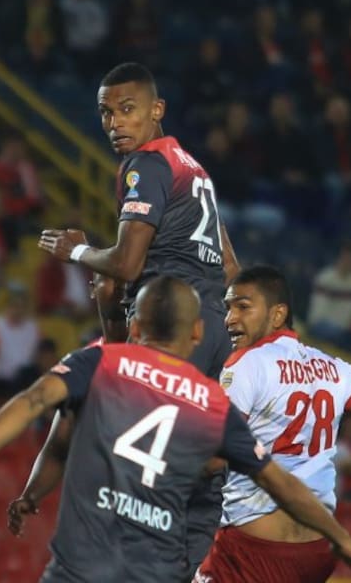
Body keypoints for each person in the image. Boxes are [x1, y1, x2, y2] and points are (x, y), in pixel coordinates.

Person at [0, 276, 351, 583]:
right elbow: (281, 483)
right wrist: (345, 541)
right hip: (156, 572)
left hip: (82, 566)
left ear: (137, 325)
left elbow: (33, 403)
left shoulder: (101, 362)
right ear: (198, 334)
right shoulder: (211, 403)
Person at [37, 61, 239, 568]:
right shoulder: (192, 168)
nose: (114, 124)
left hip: (170, 331)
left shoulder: (145, 166)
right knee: (197, 474)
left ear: (157, 110)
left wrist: (76, 252)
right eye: (106, 114)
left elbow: (126, 262)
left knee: (135, 465)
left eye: (127, 110)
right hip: (211, 326)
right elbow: (231, 266)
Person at [196, 264, 351, 582]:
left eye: (243, 307)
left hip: (254, 547)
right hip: (316, 551)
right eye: (228, 309)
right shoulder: (334, 368)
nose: (230, 319)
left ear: (278, 314)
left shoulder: (246, 364)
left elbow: (212, 459)